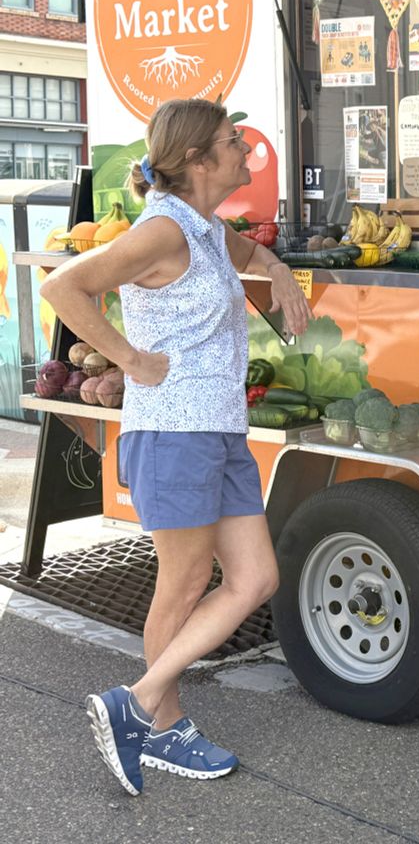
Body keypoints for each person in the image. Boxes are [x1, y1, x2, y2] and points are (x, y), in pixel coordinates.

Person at [39, 98, 312, 796]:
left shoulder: (205, 227)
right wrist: (128, 359)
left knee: (256, 580)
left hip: (215, 433)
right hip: (174, 434)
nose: (245, 150)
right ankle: (161, 725)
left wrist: (277, 271)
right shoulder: (163, 229)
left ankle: (137, 702)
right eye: (231, 142)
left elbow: (243, 251)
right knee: (185, 583)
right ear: (196, 161)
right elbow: (65, 285)